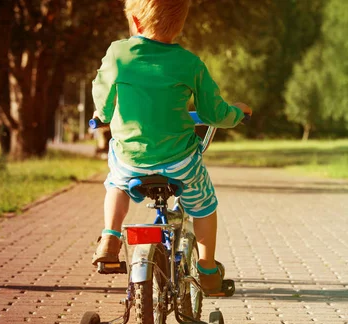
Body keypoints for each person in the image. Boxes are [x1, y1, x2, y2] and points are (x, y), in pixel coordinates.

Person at [91, 0, 252, 294]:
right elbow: (215, 113)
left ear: (136, 22)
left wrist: (101, 115)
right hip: (179, 163)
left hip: (131, 161)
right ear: (179, 26)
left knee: (116, 183)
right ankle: (207, 270)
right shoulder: (190, 63)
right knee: (204, 205)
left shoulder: (118, 53)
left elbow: (102, 91)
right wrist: (237, 113)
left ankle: (111, 237)